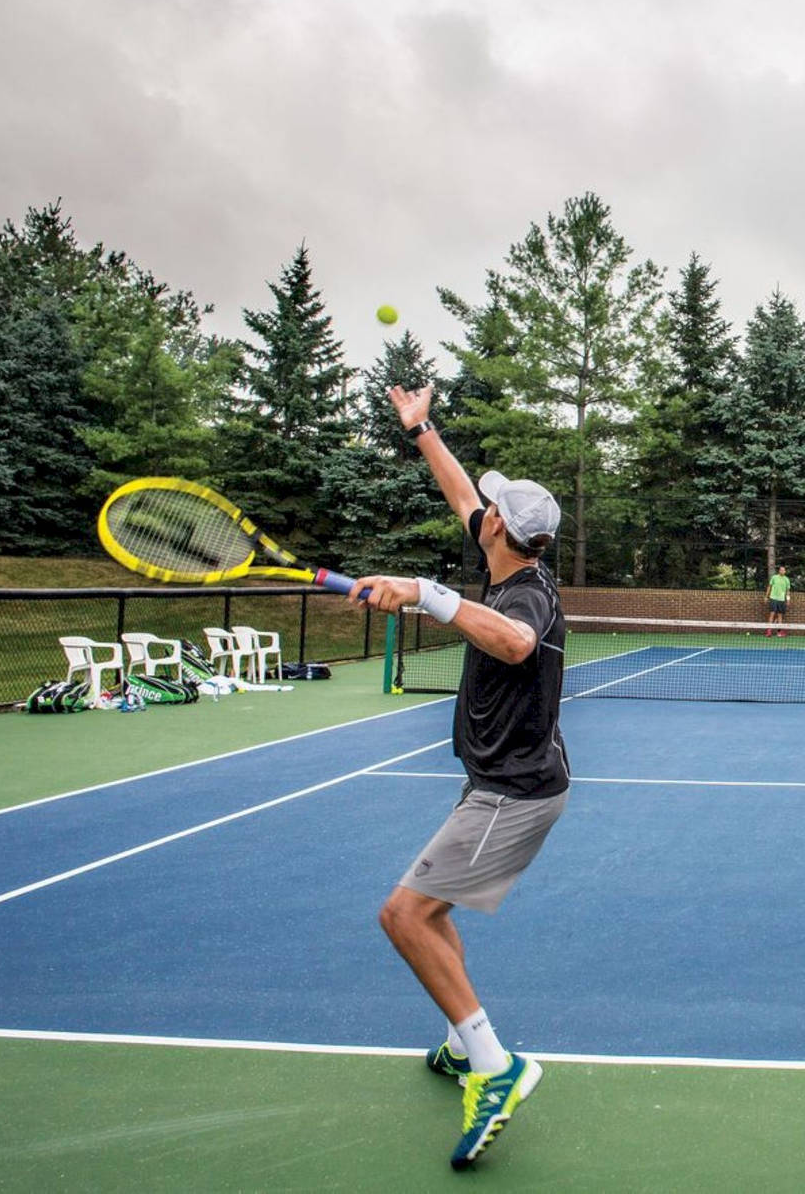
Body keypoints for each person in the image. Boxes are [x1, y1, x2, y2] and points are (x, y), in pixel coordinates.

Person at [348, 384, 571, 1170]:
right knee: (434, 914)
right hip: (498, 781)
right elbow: (457, 489)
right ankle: (458, 1039)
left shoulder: (526, 596)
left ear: (505, 528)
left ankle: (495, 1064)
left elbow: (512, 642)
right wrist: (421, 429)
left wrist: (425, 594)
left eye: (492, 508)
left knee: (404, 916)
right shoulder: (506, 548)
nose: (482, 511)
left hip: (514, 793)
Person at [766, 565, 791, 638]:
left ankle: (779, 632)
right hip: (773, 598)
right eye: (781, 570)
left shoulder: (787, 579)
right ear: (779, 571)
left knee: (780, 616)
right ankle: (769, 631)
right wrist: (766, 596)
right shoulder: (774, 577)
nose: (782, 571)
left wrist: (788, 599)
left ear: (785, 571)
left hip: (782, 600)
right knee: (772, 614)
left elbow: (788, 591)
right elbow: (769, 587)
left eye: (783, 570)